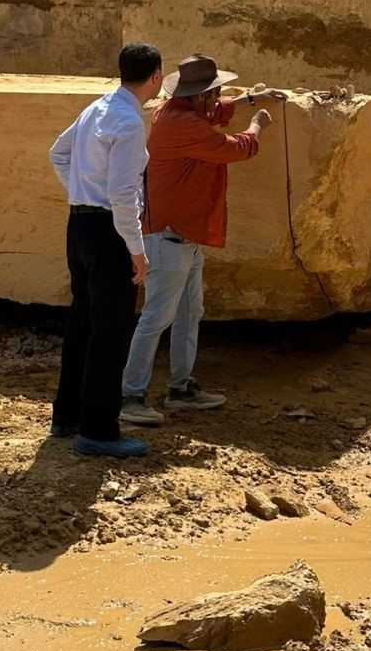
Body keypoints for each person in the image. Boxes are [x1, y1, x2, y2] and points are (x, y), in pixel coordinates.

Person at [121, 54, 285, 426]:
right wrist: (258, 124)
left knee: (189, 312)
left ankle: (180, 389)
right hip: (169, 236)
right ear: (196, 96)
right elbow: (236, 148)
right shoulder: (183, 123)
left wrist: (250, 101)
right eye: (213, 93)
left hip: (183, 235)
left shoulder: (178, 112)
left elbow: (216, 113)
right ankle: (129, 395)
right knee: (156, 318)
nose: (216, 99)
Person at [49, 43, 164, 459]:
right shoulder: (130, 123)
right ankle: (98, 429)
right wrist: (137, 250)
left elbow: (57, 153)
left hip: (79, 225)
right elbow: (122, 194)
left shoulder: (95, 108)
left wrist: (81, 192)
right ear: (155, 77)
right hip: (107, 230)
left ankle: (67, 416)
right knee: (110, 332)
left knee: (82, 321)